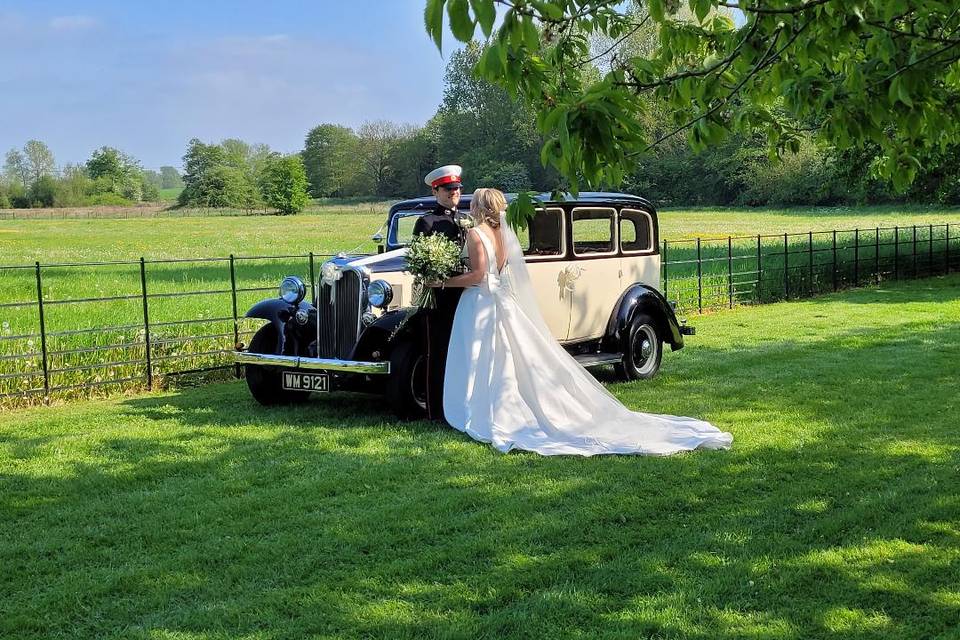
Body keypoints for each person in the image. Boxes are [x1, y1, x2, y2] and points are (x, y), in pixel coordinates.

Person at [433, 188, 733, 456]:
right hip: (500, 299)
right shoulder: (503, 234)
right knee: (504, 356)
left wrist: (443, 282)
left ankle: (487, 409)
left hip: (482, 301)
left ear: (479, 208)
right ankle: (504, 405)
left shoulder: (476, 234)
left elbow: (478, 276)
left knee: (486, 355)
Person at [412, 165, 470, 421]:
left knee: (462, 352)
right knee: (437, 354)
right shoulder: (427, 222)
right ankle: (435, 410)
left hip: (465, 294)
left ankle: (459, 406)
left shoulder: (466, 220)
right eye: (448, 189)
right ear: (436, 191)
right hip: (438, 298)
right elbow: (419, 262)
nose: (453, 193)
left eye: (456, 189)